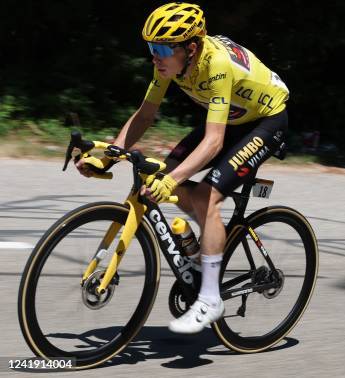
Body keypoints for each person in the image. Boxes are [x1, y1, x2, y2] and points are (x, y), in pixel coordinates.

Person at [75, 2, 290, 333]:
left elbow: (214, 143)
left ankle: (209, 299)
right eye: (151, 47)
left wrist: (172, 178)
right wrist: (109, 154)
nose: (154, 56)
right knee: (160, 180)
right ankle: (199, 249)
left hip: (265, 121)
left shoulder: (216, 65)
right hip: (234, 116)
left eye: (161, 48)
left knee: (205, 197)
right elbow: (145, 115)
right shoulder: (167, 65)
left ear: (191, 48)